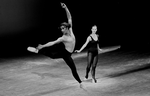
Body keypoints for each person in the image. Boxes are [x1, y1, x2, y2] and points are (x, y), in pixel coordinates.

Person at [31, 3, 83, 87]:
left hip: (69, 52)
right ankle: (80, 83)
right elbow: (53, 42)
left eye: (63, 28)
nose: (62, 30)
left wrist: (65, 7)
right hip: (65, 53)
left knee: (56, 57)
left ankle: (39, 50)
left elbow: (69, 17)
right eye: (61, 29)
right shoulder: (62, 38)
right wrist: (43, 46)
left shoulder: (71, 30)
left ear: (67, 27)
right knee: (54, 57)